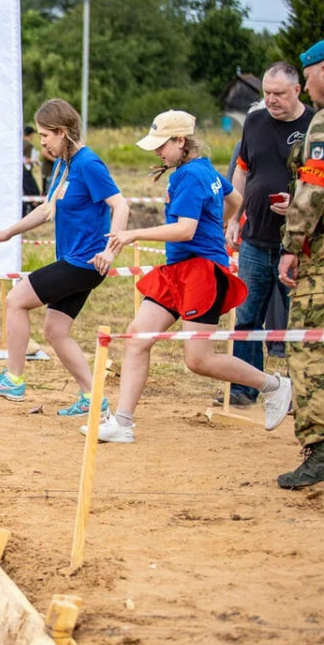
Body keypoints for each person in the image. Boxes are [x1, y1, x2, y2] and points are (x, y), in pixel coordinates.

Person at [85, 109, 292, 443]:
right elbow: (234, 198)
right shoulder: (199, 169)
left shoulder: (192, 175)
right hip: (178, 270)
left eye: (162, 144)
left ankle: (274, 386)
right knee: (138, 335)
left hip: (201, 272)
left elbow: (185, 229)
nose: (157, 151)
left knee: (199, 360)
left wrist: (133, 234)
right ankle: (122, 422)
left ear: (181, 141)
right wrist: (219, 223)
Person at [0, 99, 130, 416]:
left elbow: (121, 206)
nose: (42, 142)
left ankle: (13, 379)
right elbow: (48, 210)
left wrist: (110, 250)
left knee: (16, 300)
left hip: (84, 263)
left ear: (62, 132)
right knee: (56, 332)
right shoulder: (65, 164)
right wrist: (8, 232)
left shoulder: (88, 164)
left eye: (46, 135)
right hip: (77, 261)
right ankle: (93, 398)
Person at [224, 62, 312, 407]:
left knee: (299, 323)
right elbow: (243, 171)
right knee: (247, 316)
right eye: (267, 93)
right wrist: (233, 218)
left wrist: (298, 202)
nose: (271, 100)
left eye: (278, 94)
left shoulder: (314, 127)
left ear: (297, 91)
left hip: (299, 242)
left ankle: (302, 395)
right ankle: (245, 389)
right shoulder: (256, 121)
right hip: (255, 238)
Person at [276, 39, 324, 489]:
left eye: (308, 76)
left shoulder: (323, 125)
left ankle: (320, 448)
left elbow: (313, 192)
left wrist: (291, 243)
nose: (307, 86)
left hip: (321, 260)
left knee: (308, 348)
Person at [22, 125, 42, 216]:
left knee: (26, 193)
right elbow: (24, 159)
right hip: (26, 171)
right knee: (34, 193)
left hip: (21, 172)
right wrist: (34, 161)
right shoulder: (28, 145)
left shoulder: (19, 143)